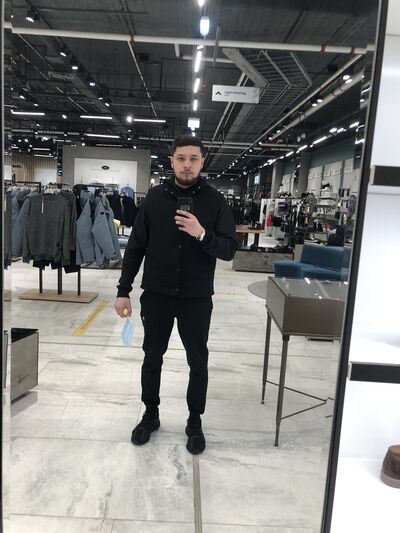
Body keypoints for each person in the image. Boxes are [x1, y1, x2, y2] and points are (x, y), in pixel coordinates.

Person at [114, 134, 238, 454]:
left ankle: (194, 420)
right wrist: (123, 290)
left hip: (197, 297)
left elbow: (229, 249)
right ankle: (150, 414)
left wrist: (202, 233)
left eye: (193, 158)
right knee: (152, 356)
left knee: (198, 360)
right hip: (157, 294)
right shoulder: (155, 199)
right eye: (181, 158)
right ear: (171, 161)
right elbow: (136, 247)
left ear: (202, 162)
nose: (186, 164)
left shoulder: (215, 201)